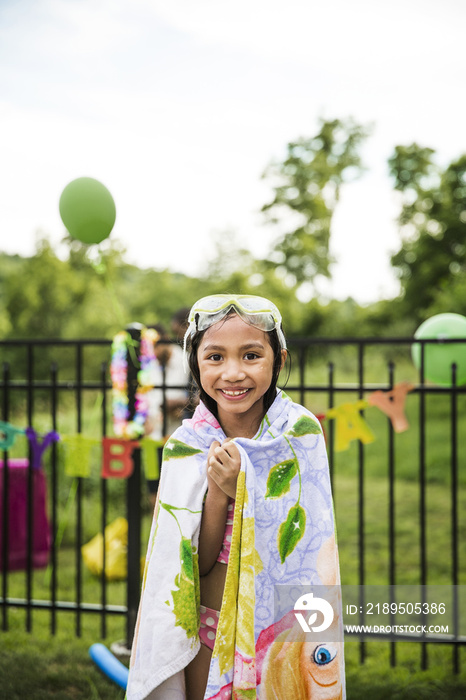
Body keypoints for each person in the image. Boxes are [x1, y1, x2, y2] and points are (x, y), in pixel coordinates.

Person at [127, 294, 345, 700]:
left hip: (281, 627)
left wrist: (249, 484)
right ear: (195, 364)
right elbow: (199, 562)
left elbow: (305, 553)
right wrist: (222, 493)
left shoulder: (299, 434)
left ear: (277, 360)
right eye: (215, 357)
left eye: (250, 355)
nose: (232, 373)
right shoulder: (188, 445)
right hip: (206, 622)